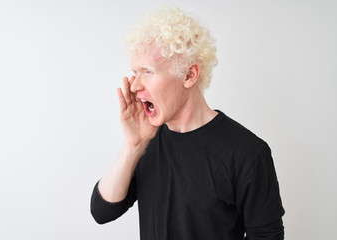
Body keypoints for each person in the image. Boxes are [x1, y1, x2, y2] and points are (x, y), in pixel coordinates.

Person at [90, 6, 284, 240]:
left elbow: (266, 236)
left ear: (189, 75)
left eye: (148, 72)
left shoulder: (248, 153)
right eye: (135, 71)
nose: (134, 86)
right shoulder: (147, 141)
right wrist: (133, 145)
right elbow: (102, 212)